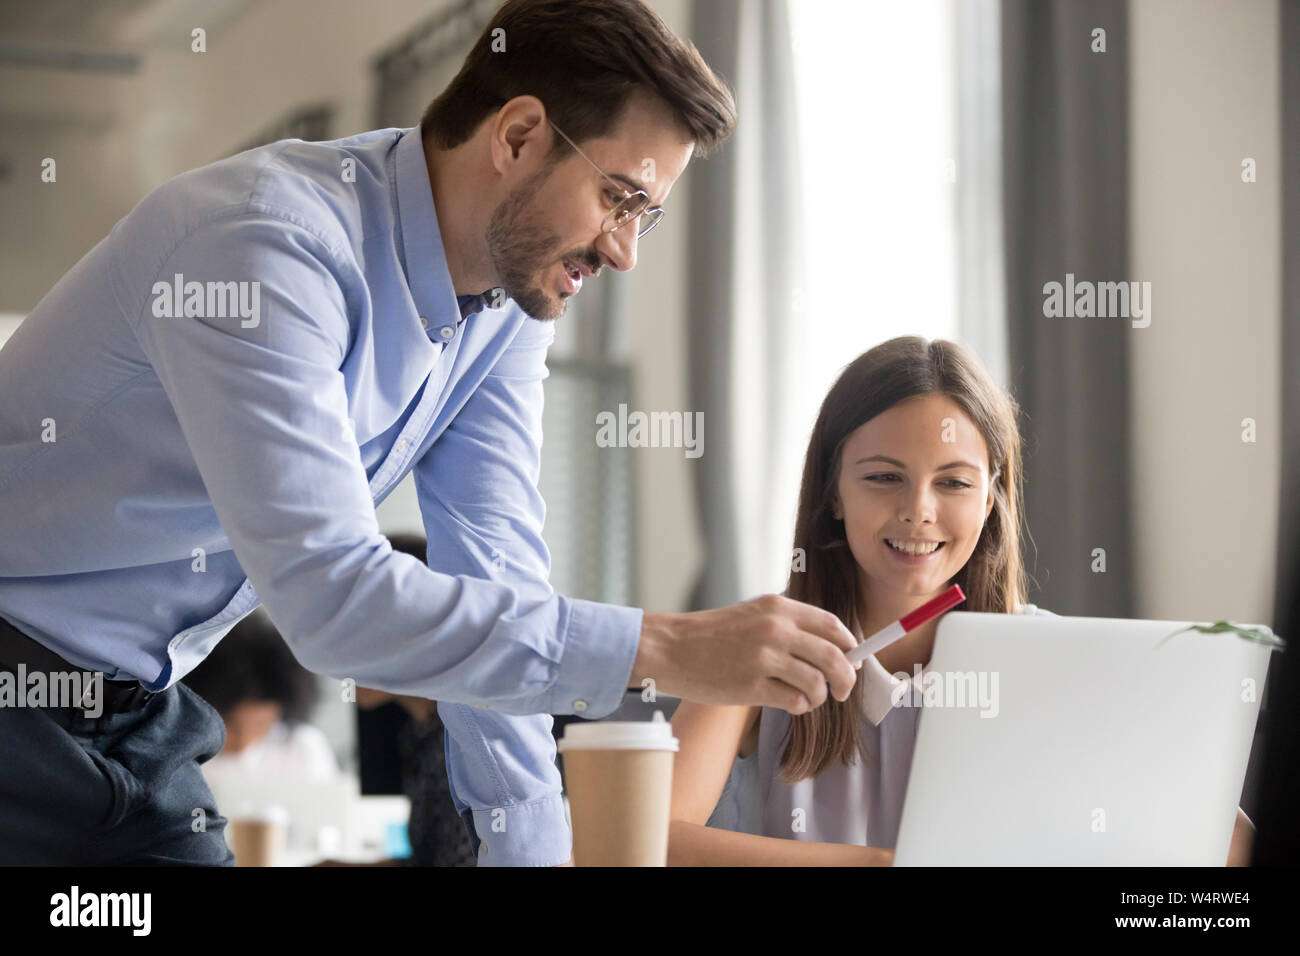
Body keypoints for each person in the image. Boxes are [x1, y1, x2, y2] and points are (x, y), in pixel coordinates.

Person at [0, 0, 860, 867]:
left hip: (135, 713)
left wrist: (529, 856)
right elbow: (333, 600)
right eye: (620, 197)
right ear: (520, 135)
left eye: (648, 215)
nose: (626, 250)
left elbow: (497, 570)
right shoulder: (265, 245)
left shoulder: (507, 310)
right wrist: (666, 648)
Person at [667, 336, 1255, 865]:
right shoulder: (766, 642)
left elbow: (1229, 846)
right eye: (882, 477)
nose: (918, 509)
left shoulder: (1054, 656)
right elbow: (640, 838)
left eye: (953, 482)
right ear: (834, 491)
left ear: (992, 497)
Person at [182, 609, 338, 784]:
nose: (243, 743)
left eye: (260, 726)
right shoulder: (181, 754)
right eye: (230, 728)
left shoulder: (303, 749)